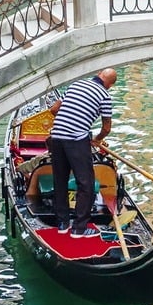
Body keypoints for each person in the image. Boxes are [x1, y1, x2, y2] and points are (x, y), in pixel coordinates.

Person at [48, 68, 117, 238]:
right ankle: (79, 229)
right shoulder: (105, 96)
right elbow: (106, 127)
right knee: (85, 183)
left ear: (99, 74)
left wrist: (67, 121)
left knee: (60, 180)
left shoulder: (76, 84)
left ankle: (62, 224)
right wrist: (97, 139)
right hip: (76, 140)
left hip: (56, 137)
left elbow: (54, 109)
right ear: (109, 84)